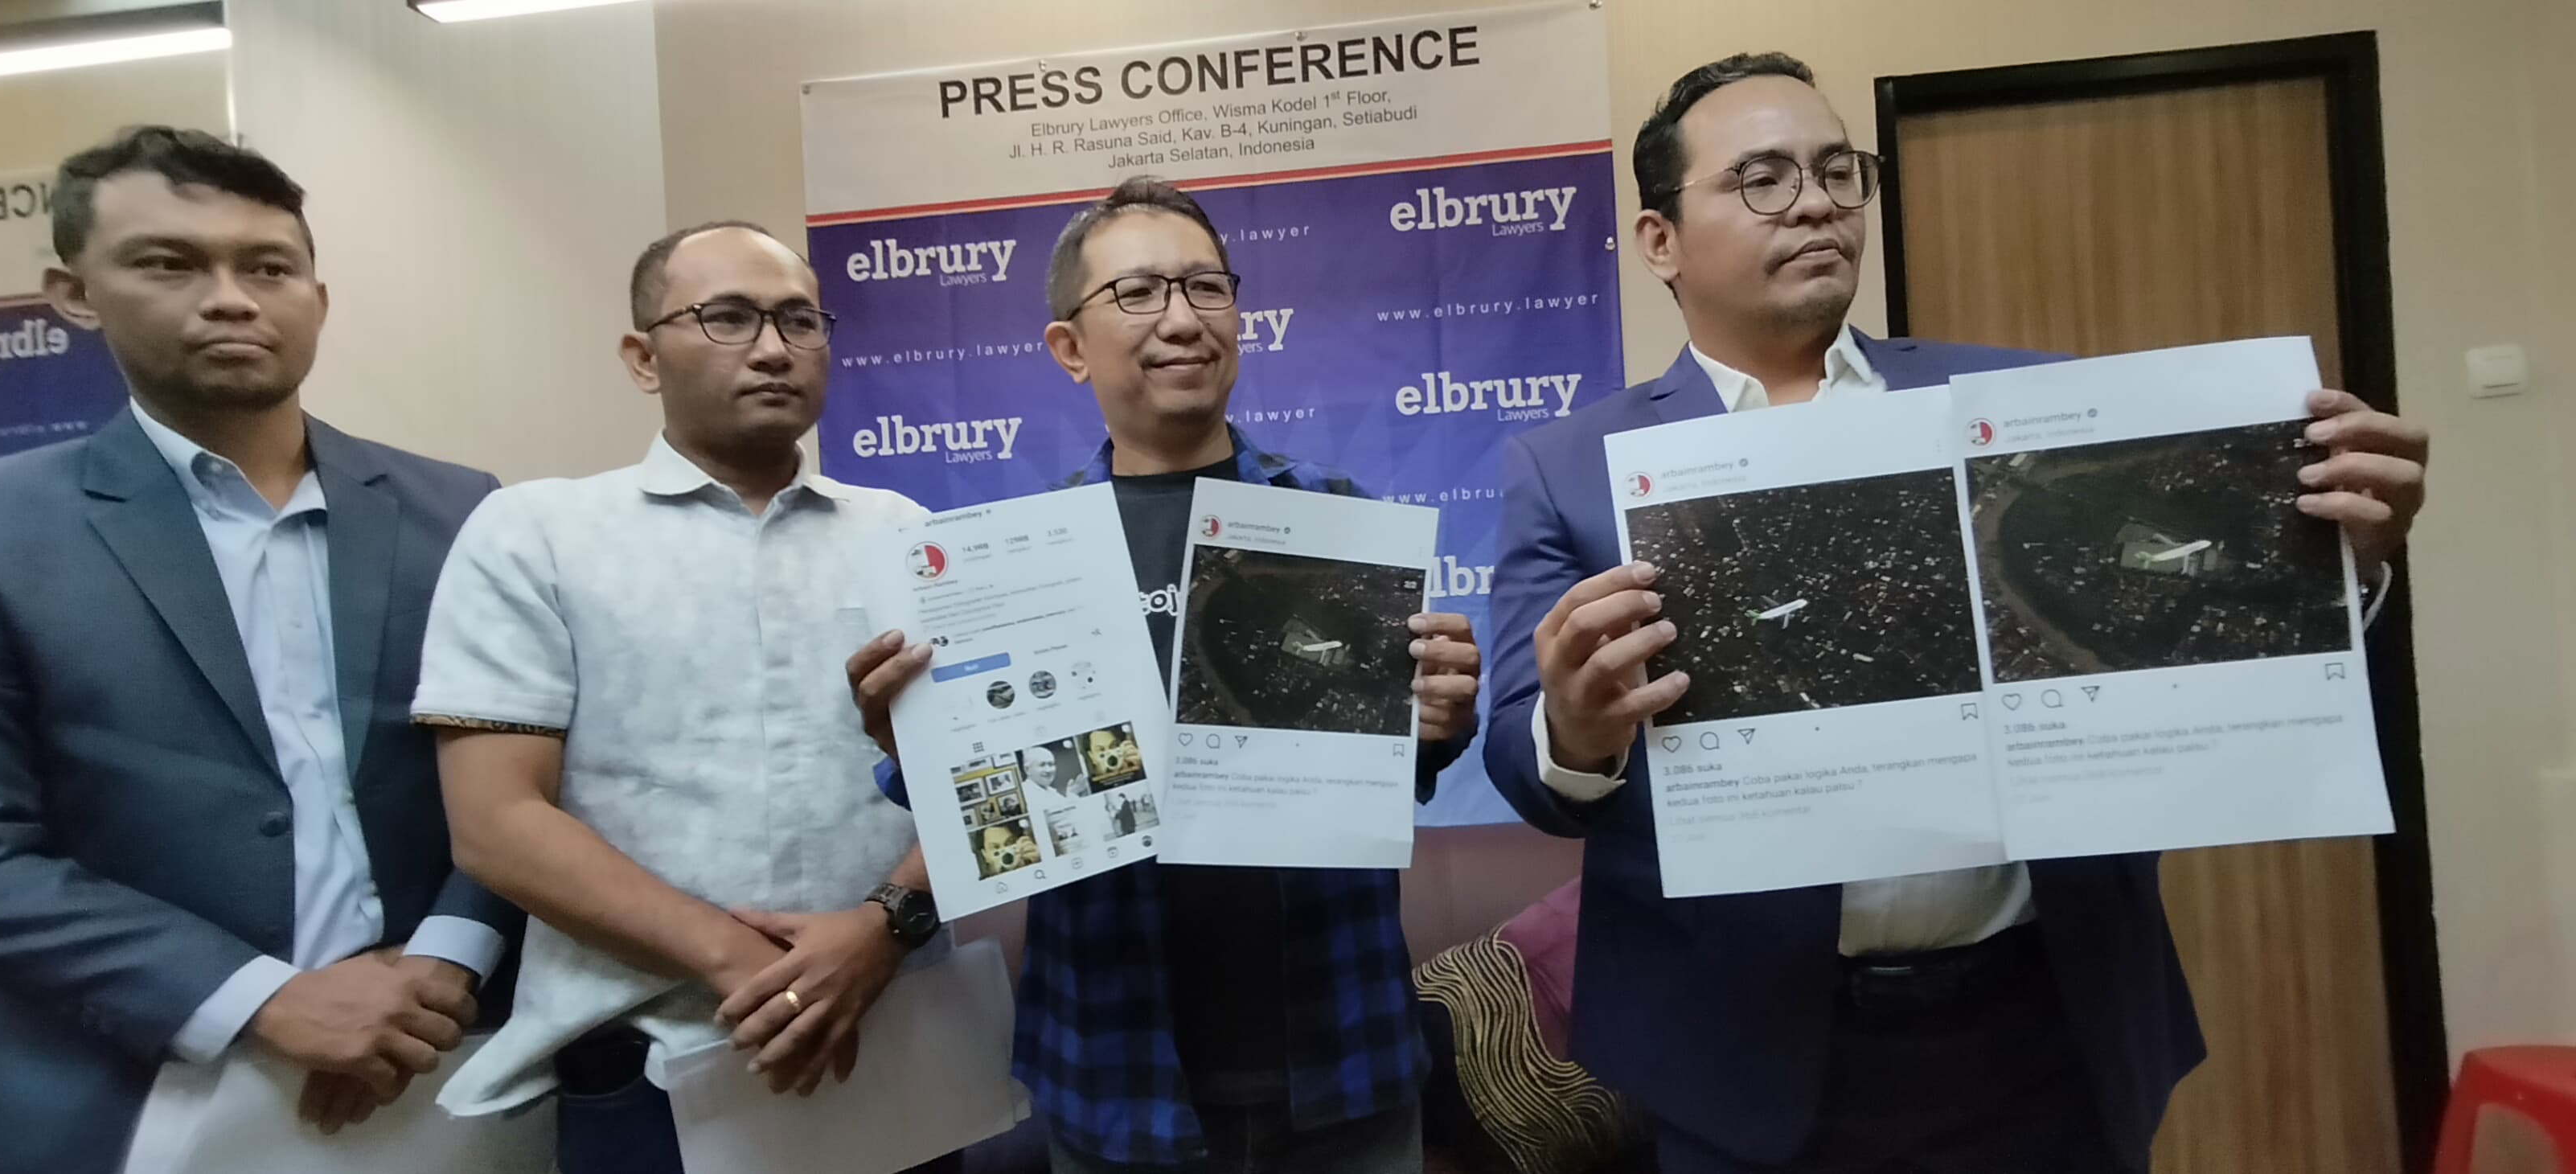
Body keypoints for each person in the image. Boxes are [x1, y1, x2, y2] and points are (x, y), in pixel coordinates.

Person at [1483, 53, 2431, 1174]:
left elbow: (2175, 628)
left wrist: (2338, 569)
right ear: (1660, 241)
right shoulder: (1571, 467)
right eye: (1763, 179)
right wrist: (1578, 733)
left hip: (2044, 1030)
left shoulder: (2026, 409)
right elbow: (1521, 756)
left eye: (1840, 170)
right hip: (1744, 1059)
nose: (1818, 201)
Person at [849, 176, 1486, 1174]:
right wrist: (918, 744)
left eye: (1206, 287)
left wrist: (1440, 721)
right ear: (1070, 347)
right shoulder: (1014, 561)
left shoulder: (1335, 518)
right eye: (1139, 293)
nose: (1182, 319)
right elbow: (988, 816)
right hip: (1116, 1067)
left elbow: (1387, 767)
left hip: (1340, 1050)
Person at [0, 126, 523, 1171]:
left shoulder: (464, 511)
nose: (230, 298)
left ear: (317, 294)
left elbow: (529, 777)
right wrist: (265, 1000)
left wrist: (453, 952)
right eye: (170, 263)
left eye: (268, 266)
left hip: (442, 1071)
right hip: (125, 1093)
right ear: (72, 292)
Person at [414, 220, 952, 1174]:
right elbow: (496, 822)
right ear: (641, 355)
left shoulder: (905, 532)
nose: (775, 347)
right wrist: (743, 963)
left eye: (799, 320)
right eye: (729, 317)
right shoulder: (537, 533)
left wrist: (882, 927)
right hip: (649, 1069)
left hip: (889, 1041)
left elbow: (995, 777)